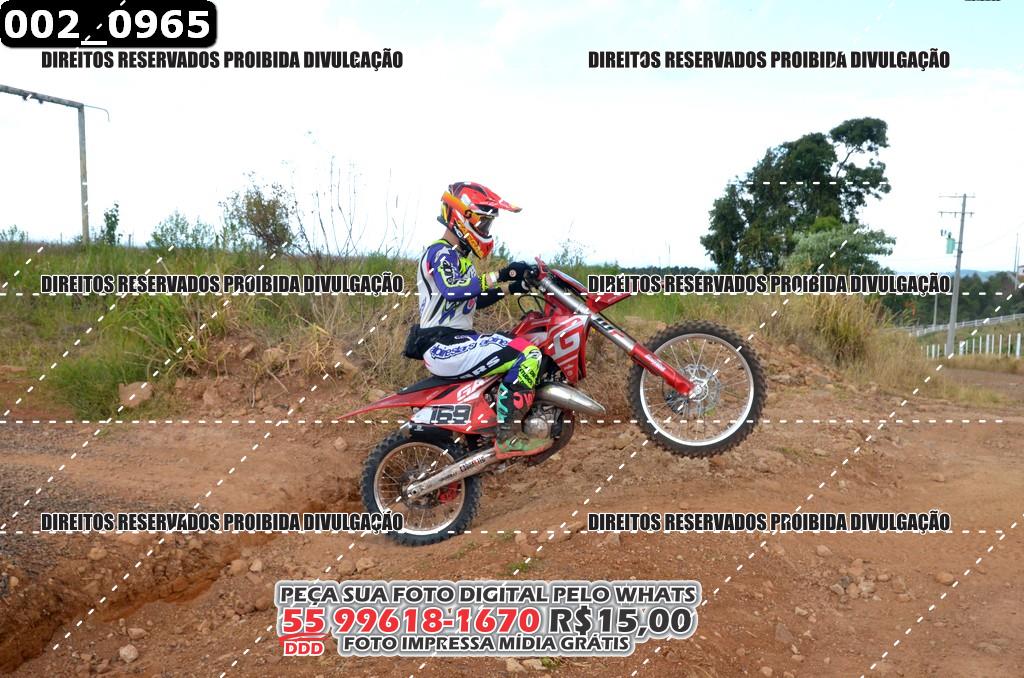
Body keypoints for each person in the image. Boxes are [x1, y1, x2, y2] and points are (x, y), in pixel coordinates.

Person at [404, 181, 549, 457]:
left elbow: (473, 299)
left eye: (488, 224)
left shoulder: (462, 260)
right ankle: (508, 436)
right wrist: (502, 274)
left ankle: (491, 427)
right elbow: (454, 290)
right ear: (462, 217)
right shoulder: (439, 252)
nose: (485, 229)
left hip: (457, 341)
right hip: (443, 344)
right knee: (527, 354)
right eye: (482, 222)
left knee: (517, 341)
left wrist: (511, 287)